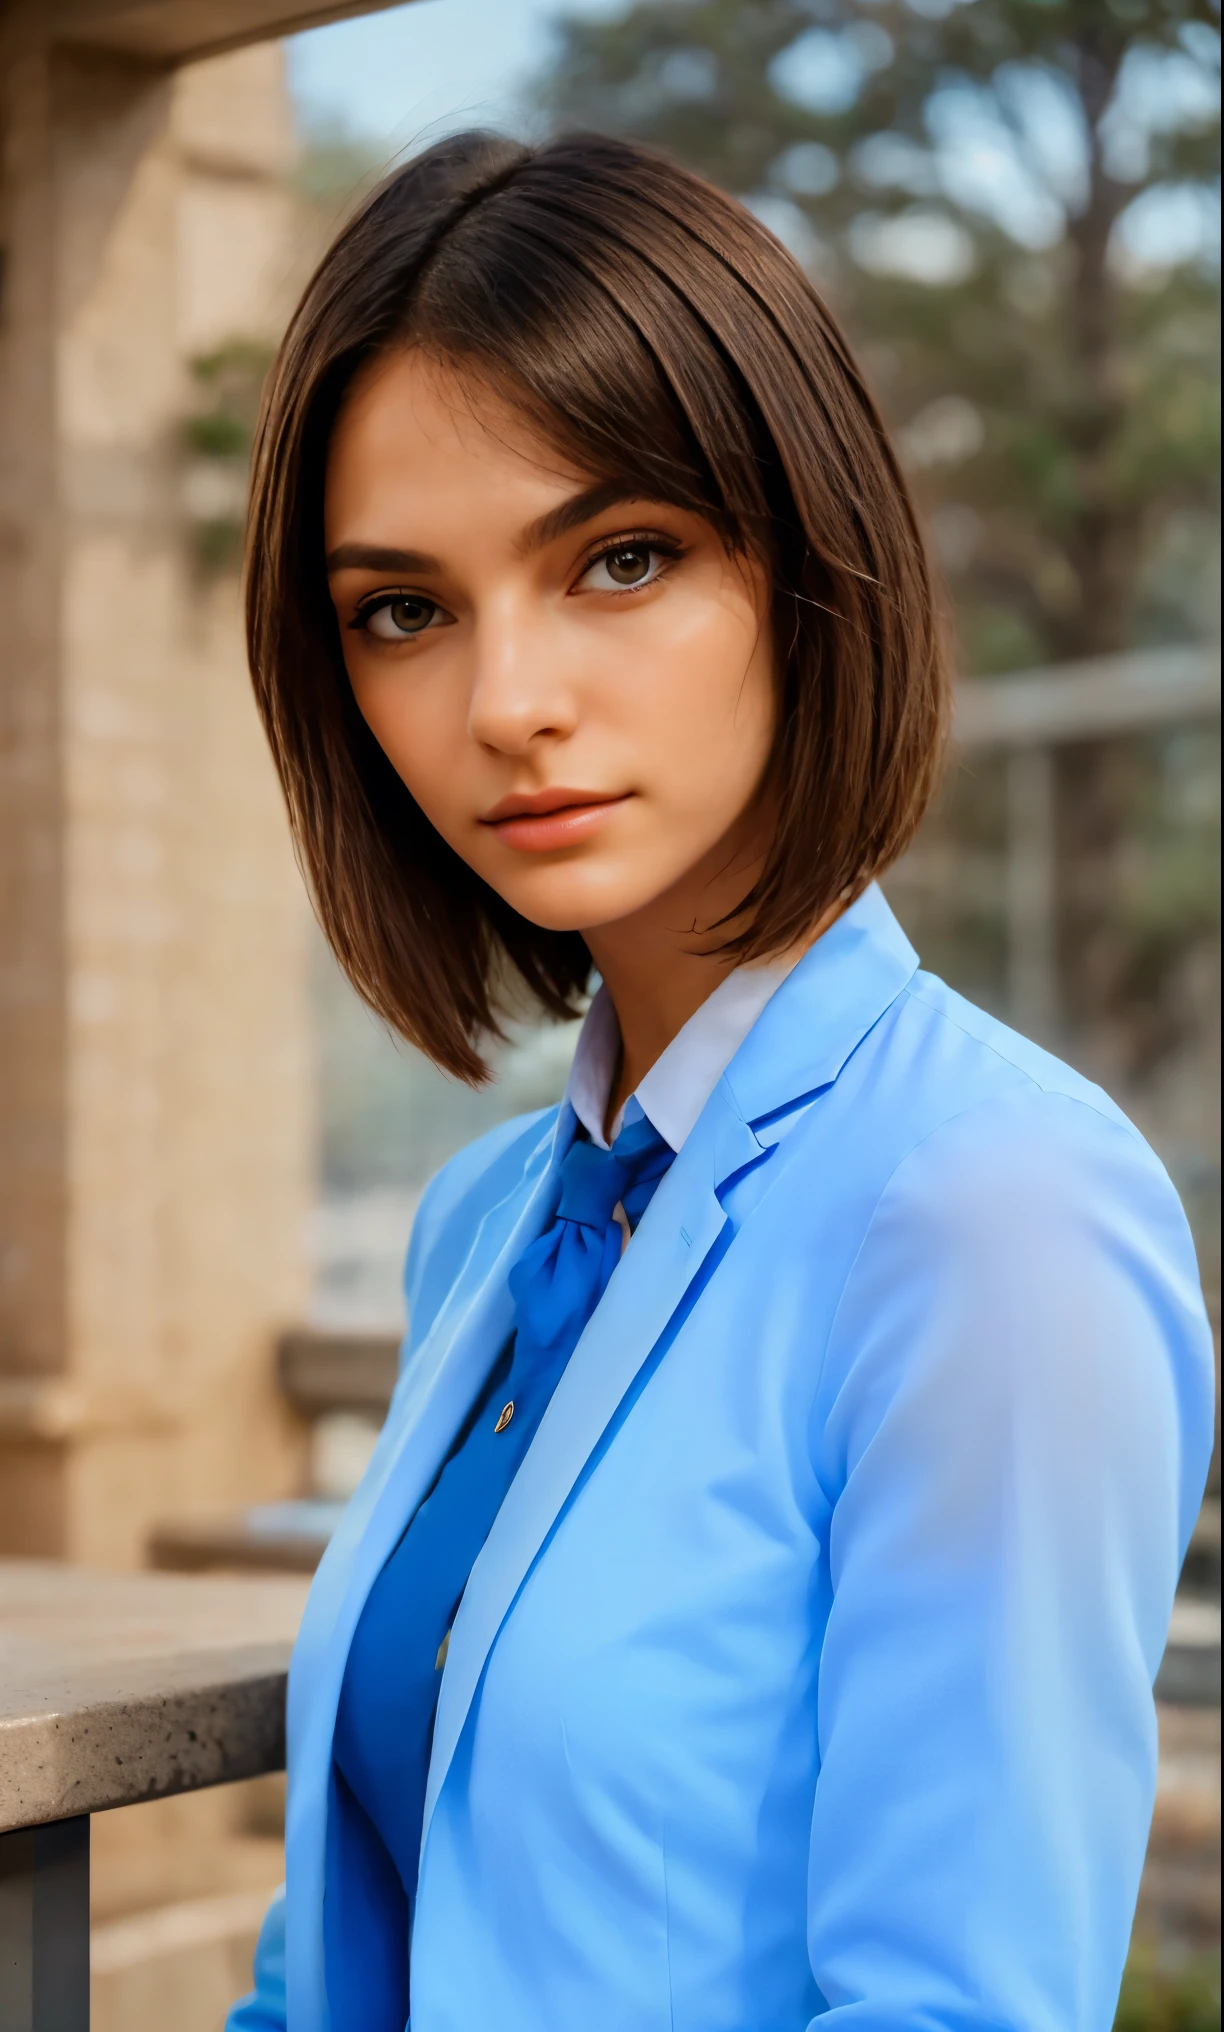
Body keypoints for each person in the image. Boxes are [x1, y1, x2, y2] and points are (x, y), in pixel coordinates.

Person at [227, 130, 1214, 2032]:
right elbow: (348, 1944)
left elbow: (961, 2009)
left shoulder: (993, 1211)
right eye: (404, 609)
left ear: (807, 561)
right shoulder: (483, 1226)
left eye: (619, 559)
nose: (506, 698)